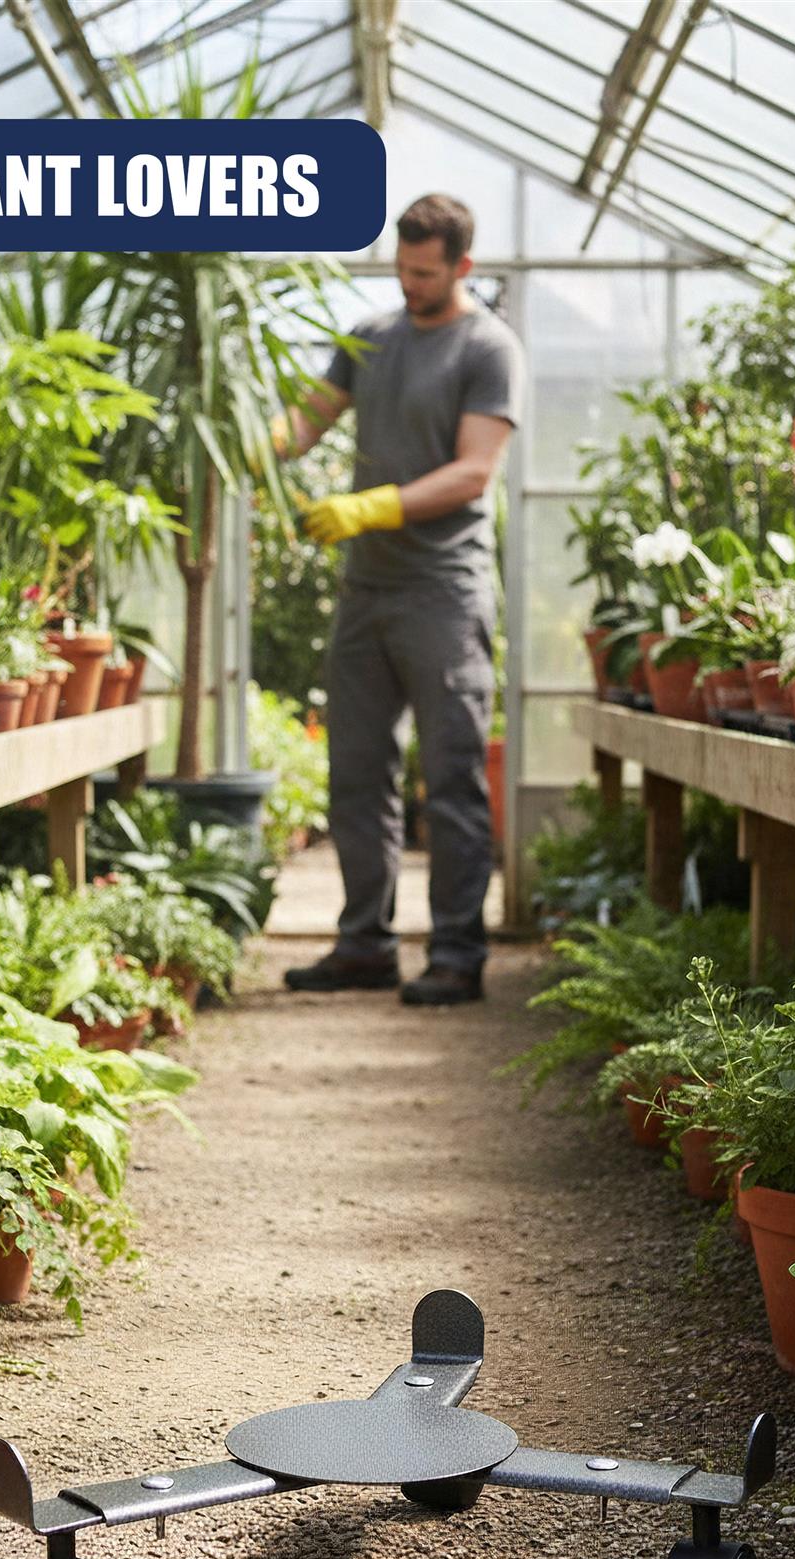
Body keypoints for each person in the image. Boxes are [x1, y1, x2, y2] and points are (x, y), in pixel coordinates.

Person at [270, 193, 523, 1006]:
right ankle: (363, 946)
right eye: (402, 269)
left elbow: (474, 471)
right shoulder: (372, 337)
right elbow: (306, 422)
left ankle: (456, 955)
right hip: (367, 589)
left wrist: (373, 506)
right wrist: (257, 444)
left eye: (425, 273)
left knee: (450, 776)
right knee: (355, 771)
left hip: (444, 592)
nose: (409, 284)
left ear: (462, 267)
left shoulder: (488, 348)